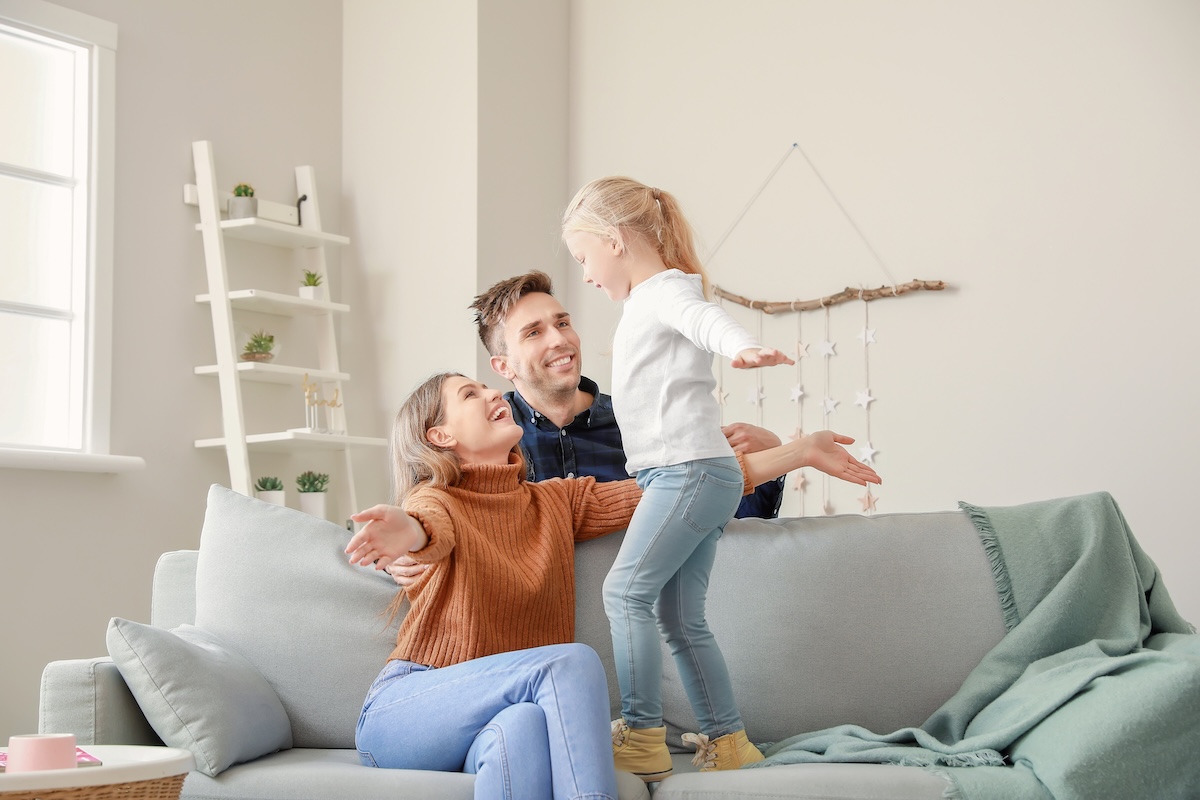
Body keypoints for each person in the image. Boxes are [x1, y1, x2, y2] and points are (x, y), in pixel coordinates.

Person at [347, 371, 878, 798]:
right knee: (570, 661)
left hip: (498, 717)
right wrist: (406, 533)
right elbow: (427, 529)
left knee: (524, 730)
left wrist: (801, 450)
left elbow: (674, 491)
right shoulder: (436, 501)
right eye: (470, 393)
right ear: (440, 437)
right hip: (407, 711)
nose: (491, 393)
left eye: (488, 387)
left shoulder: (557, 502)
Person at [560, 175, 880, 781]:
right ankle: (727, 741)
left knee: (624, 593)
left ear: (613, 239)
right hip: (690, 477)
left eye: (584, 257)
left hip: (687, 474)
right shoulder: (646, 301)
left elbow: (703, 319)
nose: (586, 273)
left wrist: (741, 348)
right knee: (682, 619)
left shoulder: (661, 293)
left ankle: (641, 734)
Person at [387, 270, 786, 587]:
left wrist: (770, 461)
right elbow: (428, 508)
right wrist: (399, 556)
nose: (560, 339)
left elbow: (728, 521)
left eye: (562, 323)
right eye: (534, 332)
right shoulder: (485, 440)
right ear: (503, 367)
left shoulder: (649, 417)